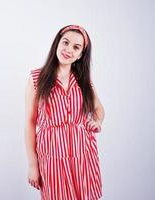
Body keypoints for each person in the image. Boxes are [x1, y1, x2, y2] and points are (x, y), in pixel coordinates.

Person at [24, 24, 105, 200]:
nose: (69, 49)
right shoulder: (37, 78)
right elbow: (30, 123)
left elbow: (99, 109)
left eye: (76, 47)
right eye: (65, 42)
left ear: (81, 54)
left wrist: (97, 122)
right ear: (57, 44)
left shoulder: (84, 81)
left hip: (83, 154)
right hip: (52, 157)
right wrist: (32, 165)